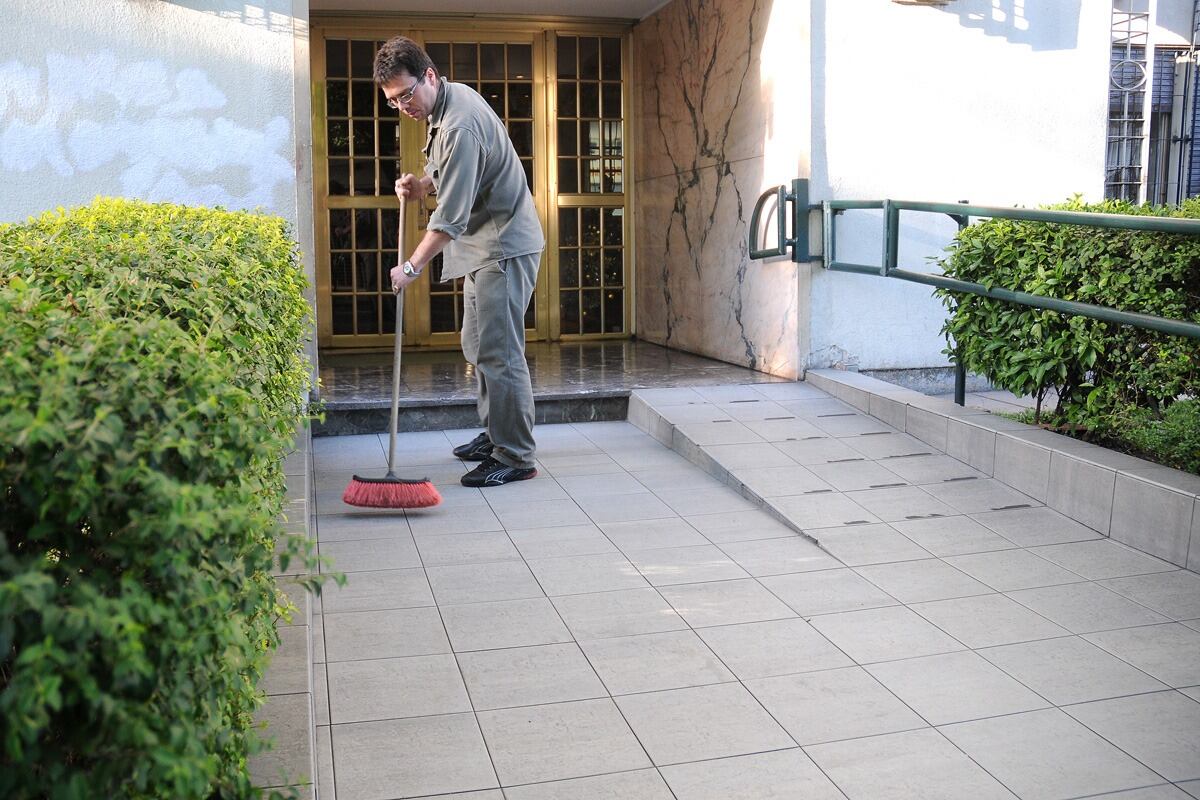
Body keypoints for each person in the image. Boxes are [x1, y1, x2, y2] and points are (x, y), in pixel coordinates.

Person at [373, 36, 544, 488]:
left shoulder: (458, 124)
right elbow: (457, 168)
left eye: (406, 95)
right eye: (393, 101)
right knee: (478, 343)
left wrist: (410, 267)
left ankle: (515, 455)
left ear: (429, 75)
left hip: (502, 247)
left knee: (500, 352)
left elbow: (449, 220)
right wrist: (423, 184)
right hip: (483, 247)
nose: (403, 107)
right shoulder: (451, 100)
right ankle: (496, 432)